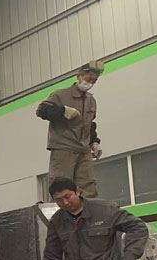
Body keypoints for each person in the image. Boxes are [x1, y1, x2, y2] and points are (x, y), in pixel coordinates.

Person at [36, 60, 105, 198]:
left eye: (94, 81)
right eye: (88, 79)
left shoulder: (91, 101)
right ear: (79, 76)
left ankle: (87, 211)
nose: (90, 83)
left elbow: (89, 124)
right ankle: (63, 211)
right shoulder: (60, 95)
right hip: (64, 148)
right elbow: (41, 111)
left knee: (88, 187)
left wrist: (94, 142)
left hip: (83, 150)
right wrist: (62, 111)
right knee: (62, 186)